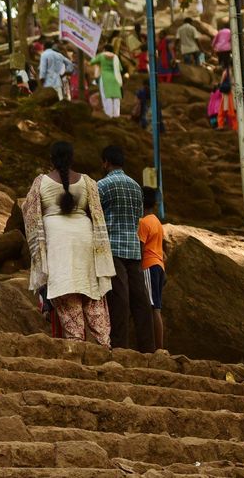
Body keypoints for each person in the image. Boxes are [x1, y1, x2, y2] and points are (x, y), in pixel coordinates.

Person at [22, 141, 115, 346]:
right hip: (85, 237)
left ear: (51, 159)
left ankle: (75, 341)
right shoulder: (88, 182)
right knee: (91, 290)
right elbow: (97, 214)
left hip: (57, 241)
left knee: (66, 288)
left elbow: (29, 212)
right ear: (72, 158)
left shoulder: (41, 182)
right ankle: (103, 343)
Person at [98, 145, 155, 353]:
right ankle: (148, 347)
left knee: (120, 298)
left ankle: (120, 346)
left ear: (106, 162)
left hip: (113, 248)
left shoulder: (102, 185)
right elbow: (139, 214)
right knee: (140, 298)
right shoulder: (135, 186)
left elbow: (97, 216)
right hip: (133, 248)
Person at [138, 187, 168, 352]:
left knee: (152, 308)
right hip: (159, 265)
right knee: (156, 307)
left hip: (148, 266)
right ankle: (158, 347)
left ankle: (157, 348)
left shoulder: (143, 223)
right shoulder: (157, 222)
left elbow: (141, 249)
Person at [89, 48, 124, 118]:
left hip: (105, 78)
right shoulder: (115, 57)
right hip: (115, 78)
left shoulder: (101, 56)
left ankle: (109, 115)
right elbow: (120, 69)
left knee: (106, 96)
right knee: (116, 97)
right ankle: (117, 116)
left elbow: (91, 62)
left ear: (104, 49)